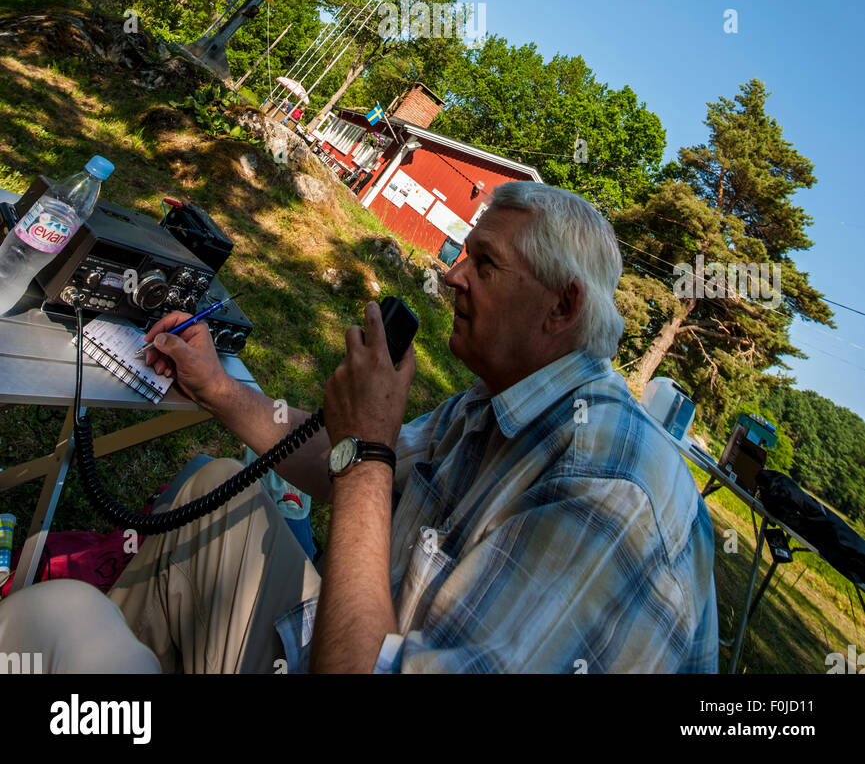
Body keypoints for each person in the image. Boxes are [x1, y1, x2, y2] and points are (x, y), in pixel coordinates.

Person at [0, 182, 718, 674]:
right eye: (462, 253)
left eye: (485, 265)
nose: (451, 276)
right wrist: (216, 387)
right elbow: (338, 462)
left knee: (56, 619)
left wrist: (368, 450)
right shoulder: (495, 402)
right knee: (216, 485)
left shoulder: (604, 488)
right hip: (359, 639)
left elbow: (361, 467)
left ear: (562, 308)